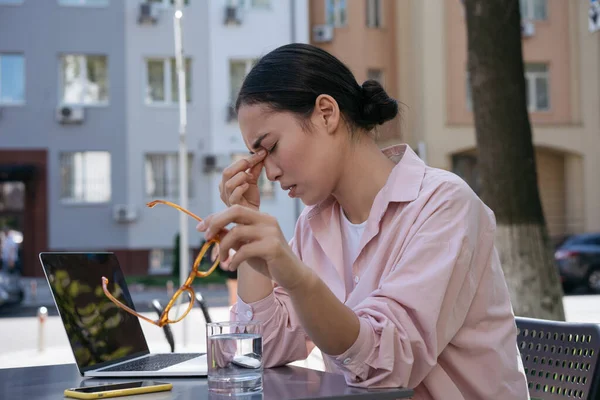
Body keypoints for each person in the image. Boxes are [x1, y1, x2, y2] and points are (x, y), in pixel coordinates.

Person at [197, 43, 530, 399]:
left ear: (326, 113)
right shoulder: (315, 226)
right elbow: (266, 351)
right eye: (257, 158)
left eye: (271, 147)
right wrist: (251, 227)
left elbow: (385, 367)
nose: (271, 173)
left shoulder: (444, 205)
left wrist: (296, 277)